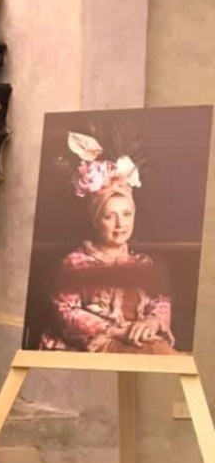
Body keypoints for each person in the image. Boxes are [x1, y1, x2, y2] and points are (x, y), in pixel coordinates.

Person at [39, 137, 177, 354]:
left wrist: (151, 321)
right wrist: (113, 330)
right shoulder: (76, 262)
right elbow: (64, 310)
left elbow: (160, 301)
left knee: (164, 356)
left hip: (140, 341)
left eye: (126, 214)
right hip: (97, 347)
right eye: (109, 216)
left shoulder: (142, 263)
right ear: (96, 220)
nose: (120, 224)